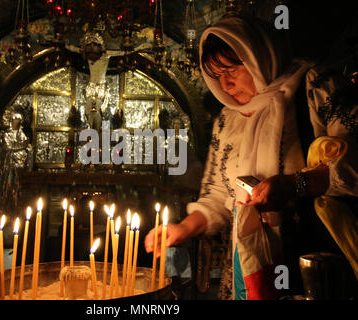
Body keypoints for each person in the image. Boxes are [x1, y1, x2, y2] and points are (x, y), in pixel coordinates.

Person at [144, 16, 357, 300]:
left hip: (314, 264)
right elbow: (218, 195)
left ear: (258, 55)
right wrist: (182, 228)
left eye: (233, 68)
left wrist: (296, 185)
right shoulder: (228, 120)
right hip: (249, 266)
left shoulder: (315, 88)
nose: (226, 83)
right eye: (217, 75)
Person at [0, 112, 32, 216]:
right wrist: (21, 147)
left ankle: (17, 209)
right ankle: (5, 209)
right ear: (11, 121)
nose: (17, 122)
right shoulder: (7, 134)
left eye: (18, 121)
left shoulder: (21, 134)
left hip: (20, 166)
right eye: (15, 120)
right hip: (9, 166)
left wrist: (26, 148)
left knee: (19, 188)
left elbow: (28, 147)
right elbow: (7, 148)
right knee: (8, 187)